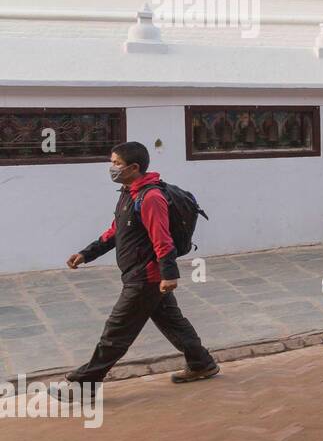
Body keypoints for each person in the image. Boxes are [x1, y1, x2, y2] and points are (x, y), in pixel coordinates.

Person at [55, 141, 219, 399]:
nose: (112, 168)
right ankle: (202, 363)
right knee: (173, 323)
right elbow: (114, 233)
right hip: (137, 274)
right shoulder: (127, 193)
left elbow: (162, 239)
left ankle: (85, 384)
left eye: (116, 164)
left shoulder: (151, 197)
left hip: (146, 277)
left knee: (116, 332)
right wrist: (86, 254)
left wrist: (169, 275)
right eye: (112, 163)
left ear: (134, 167)